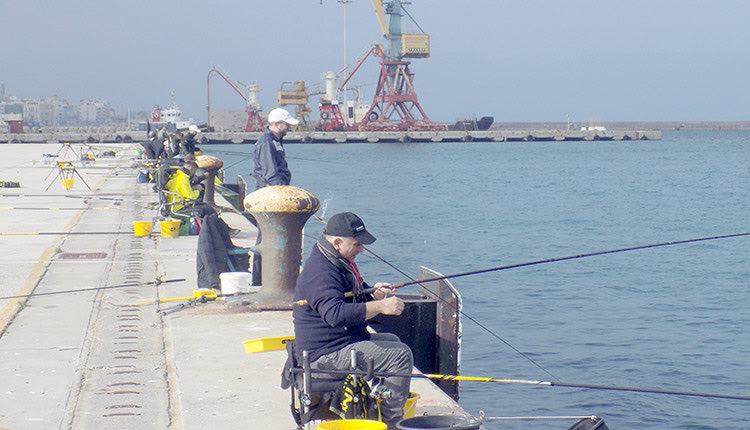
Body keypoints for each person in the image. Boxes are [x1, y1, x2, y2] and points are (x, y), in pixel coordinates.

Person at [292, 212, 413, 429]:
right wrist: (381, 307)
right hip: (323, 355)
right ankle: (392, 423)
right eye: (357, 244)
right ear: (337, 242)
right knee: (400, 356)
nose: (361, 250)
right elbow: (335, 314)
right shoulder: (320, 271)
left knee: (393, 341)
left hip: (340, 341)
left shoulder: (336, 259)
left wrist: (372, 294)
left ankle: (378, 403)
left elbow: (348, 296)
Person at [249, 107, 299, 285]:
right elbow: (271, 174)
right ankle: (259, 279)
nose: (289, 128)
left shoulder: (276, 140)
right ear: (277, 124)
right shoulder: (266, 142)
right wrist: (283, 194)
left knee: (270, 236)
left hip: (274, 194)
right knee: (266, 237)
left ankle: (266, 278)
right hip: (268, 197)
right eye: (286, 124)